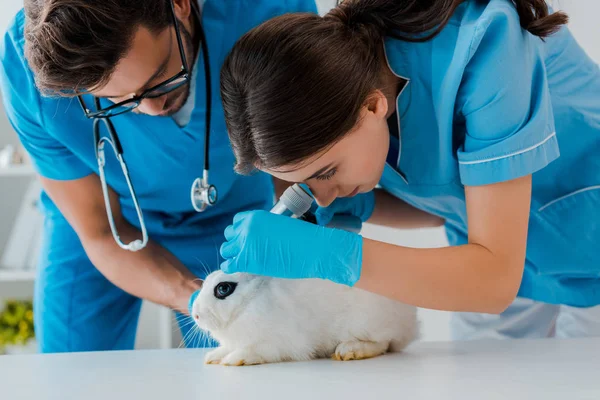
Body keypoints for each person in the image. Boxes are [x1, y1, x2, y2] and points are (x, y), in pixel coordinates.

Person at [217, 0, 600, 340]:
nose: (322, 193)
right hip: (503, 264)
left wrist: (326, 252)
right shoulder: (351, 88)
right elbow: (451, 204)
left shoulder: (484, 47)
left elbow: (495, 280)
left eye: (327, 172)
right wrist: (368, 207)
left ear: (371, 107)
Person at [0, 0, 317, 353]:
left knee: (248, 364)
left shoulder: (266, 12)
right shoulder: (27, 68)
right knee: (71, 372)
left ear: (180, 5)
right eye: (116, 100)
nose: (151, 110)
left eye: (160, 78)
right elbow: (101, 234)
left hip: (231, 215)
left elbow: (296, 167)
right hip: (103, 217)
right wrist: (198, 299)